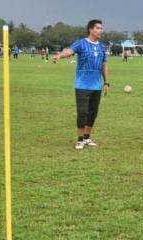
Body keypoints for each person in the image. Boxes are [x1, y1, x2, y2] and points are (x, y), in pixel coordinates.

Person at [52, 19, 110, 150]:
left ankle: (87, 137)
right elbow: (70, 51)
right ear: (90, 29)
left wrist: (106, 82)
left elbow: (104, 65)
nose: (101, 30)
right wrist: (60, 55)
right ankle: (79, 140)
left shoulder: (101, 47)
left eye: (101, 28)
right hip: (82, 85)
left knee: (93, 113)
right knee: (82, 113)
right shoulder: (81, 43)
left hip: (97, 86)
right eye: (98, 28)